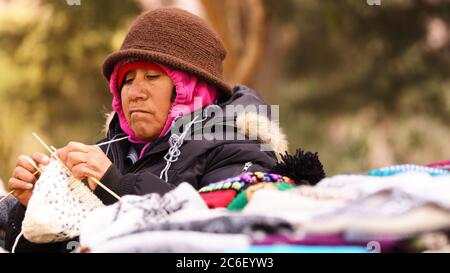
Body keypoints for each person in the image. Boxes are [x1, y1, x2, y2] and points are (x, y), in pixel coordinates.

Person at [4, 7, 288, 252]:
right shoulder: (112, 151)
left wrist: (118, 186)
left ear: (192, 89)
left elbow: (224, 233)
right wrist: (35, 207)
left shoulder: (239, 148)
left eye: (152, 77)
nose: (134, 93)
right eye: (127, 80)